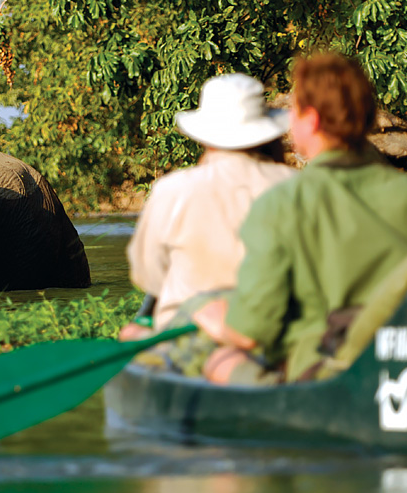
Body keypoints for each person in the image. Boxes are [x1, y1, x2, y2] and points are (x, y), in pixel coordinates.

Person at [191, 53, 407, 384]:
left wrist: (212, 318)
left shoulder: (280, 204)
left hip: (325, 377)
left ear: (312, 121)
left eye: (295, 110)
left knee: (222, 359)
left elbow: (250, 333)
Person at [121, 73, 296, 340]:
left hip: (190, 335)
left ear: (205, 135)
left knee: (131, 333)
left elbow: (148, 276)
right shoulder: (299, 186)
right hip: (278, 332)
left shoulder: (173, 189)